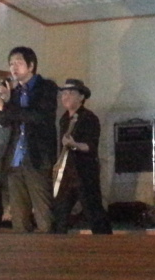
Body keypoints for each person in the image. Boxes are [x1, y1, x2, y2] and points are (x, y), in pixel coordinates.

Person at [0, 46, 57, 233]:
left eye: (18, 63)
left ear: (31, 65)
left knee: (44, 216)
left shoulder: (46, 87)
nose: (13, 67)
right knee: (19, 218)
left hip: (37, 159)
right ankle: (23, 250)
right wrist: (5, 100)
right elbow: (3, 121)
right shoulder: (15, 91)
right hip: (15, 160)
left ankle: (49, 249)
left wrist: (7, 107)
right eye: (11, 64)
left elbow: (38, 116)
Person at [52, 79, 112, 234]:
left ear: (81, 97)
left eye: (70, 93)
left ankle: (106, 242)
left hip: (84, 172)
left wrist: (75, 144)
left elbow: (91, 146)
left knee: (93, 210)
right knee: (60, 212)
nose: (66, 96)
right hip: (66, 173)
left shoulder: (89, 118)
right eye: (64, 93)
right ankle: (59, 244)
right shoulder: (64, 119)